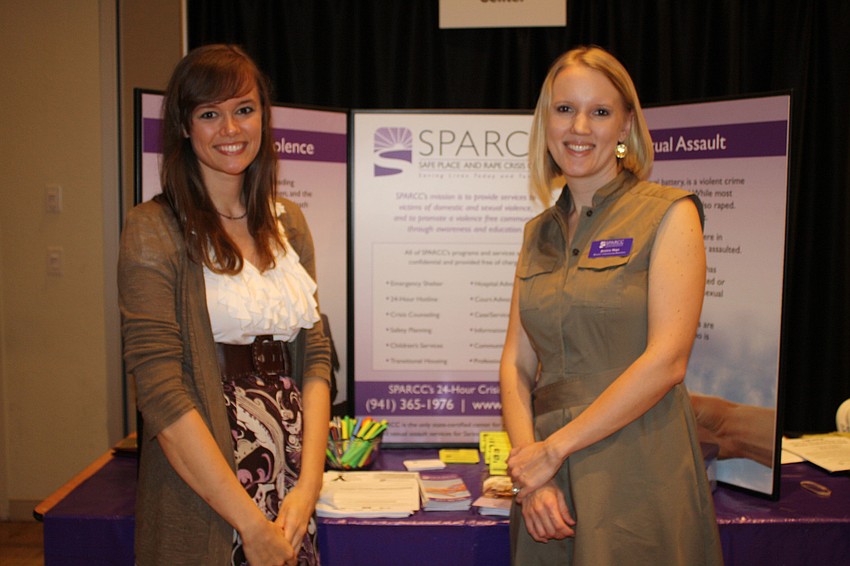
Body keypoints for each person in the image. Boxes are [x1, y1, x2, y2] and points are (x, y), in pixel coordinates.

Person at [499, 45, 723, 565]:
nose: (579, 127)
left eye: (599, 111)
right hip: (547, 484)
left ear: (625, 126)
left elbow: (668, 361)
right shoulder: (536, 233)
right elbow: (515, 363)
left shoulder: (670, 214)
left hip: (637, 462)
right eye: (564, 109)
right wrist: (533, 476)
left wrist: (552, 451)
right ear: (546, 121)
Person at [119, 44, 331, 566]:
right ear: (184, 126)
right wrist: (249, 524)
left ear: (263, 117)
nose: (231, 129)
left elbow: (316, 358)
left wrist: (307, 487)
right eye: (209, 114)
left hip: (290, 491)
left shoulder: (289, 224)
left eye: (244, 109)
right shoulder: (152, 229)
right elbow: (161, 392)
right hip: (206, 495)